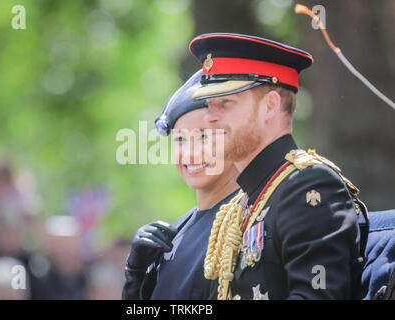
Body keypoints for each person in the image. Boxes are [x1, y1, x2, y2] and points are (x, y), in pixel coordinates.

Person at [188, 33, 368, 300]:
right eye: (208, 104)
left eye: (225, 102)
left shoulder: (310, 185)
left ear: (270, 106)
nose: (209, 117)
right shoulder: (243, 203)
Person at [122, 70, 240, 300]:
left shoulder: (248, 222)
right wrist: (135, 278)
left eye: (204, 136)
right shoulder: (176, 233)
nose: (191, 152)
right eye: (180, 140)